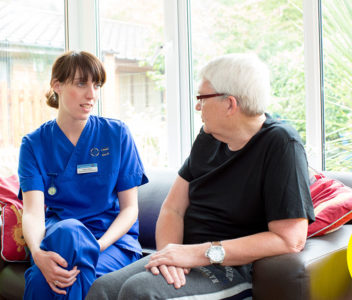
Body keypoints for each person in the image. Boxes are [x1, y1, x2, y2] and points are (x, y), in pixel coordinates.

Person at [86, 53, 315, 299]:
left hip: (229, 267)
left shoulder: (281, 143)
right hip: (185, 258)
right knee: (103, 288)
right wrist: (170, 257)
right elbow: (172, 208)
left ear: (230, 104)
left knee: (139, 292)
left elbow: (290, 239)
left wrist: (198, 253)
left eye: (202, 98)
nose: (197, 106)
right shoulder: (208, 137)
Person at [18, 50, 148, 299]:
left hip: (111, 243)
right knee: (69, 230)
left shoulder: (117, 134)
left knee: (41, 279)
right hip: (60, 238)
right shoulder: (34, 144)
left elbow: (130, 210)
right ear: (57, 85)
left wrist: (94, 247)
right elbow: (33, 212)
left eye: (96, 85)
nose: (92, 95)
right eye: (81, 83)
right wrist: (38, 254)